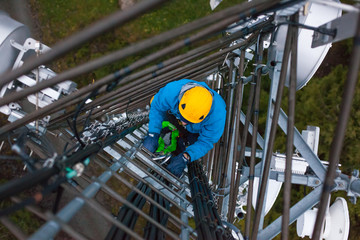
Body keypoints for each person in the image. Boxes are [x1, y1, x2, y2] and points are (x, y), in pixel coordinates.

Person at [143, 79, 226, 177]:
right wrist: (153, 132)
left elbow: (206, 142)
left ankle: (179, 150)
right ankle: (164, 135)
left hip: (195, 131)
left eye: (187, 121)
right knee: (161, 120)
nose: (183, 123)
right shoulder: (172, 91)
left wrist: (186, 156)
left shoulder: (217, 117)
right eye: (183, 119)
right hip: (173, 115)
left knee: (186, 147)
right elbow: (157, 107)